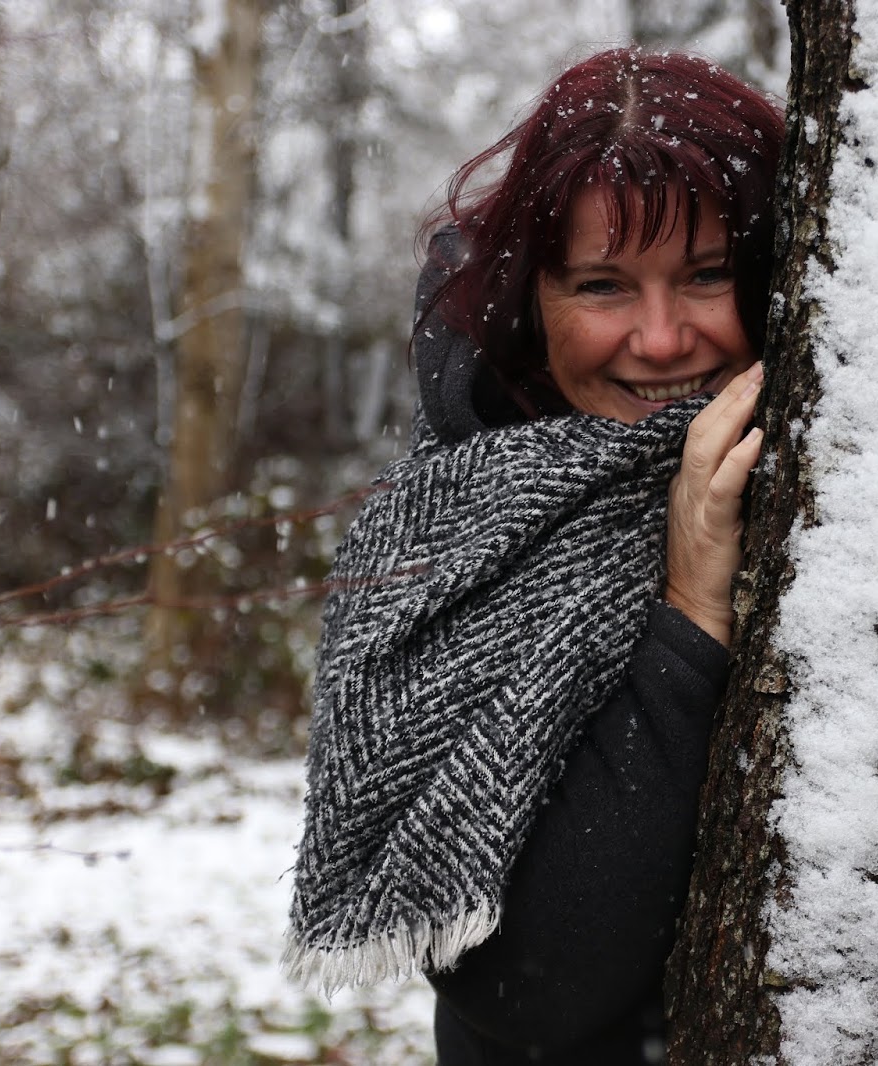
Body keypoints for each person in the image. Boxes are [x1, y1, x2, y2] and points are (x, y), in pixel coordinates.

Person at [283, 48, 786, 1066]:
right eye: (602, 285)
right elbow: (529, 988)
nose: (660, 339)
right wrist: (689, 611)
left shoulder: (865, 484)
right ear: (532, 301)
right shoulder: (449, 534)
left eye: (706, 274)